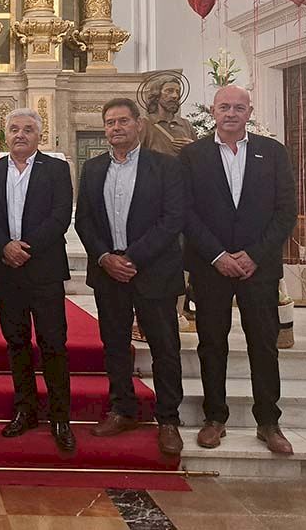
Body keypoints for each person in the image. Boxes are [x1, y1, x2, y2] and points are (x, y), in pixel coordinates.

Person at [180, 85, 297, 455]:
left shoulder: (273, 153)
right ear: (213, 111)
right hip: (210, 267)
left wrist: (254, 255)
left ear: (249, 112)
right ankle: (215, 418)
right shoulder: (192, 155)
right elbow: (185, 212)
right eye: (224, 107)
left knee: (263, 344)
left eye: (238, 107)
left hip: (257, 269)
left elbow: (285, 211)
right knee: (212, 343)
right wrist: (218, 255)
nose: (231, 113)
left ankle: (269, 422)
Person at [74, 98, 186, 456]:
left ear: (139, 124)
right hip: (109, 273)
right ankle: (122, 408)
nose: (116, 128)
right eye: (110, 122)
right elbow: (84, 220)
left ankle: (168, 418)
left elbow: (173, 218)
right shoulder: (93, 168)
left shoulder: (165, 166)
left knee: (164, 347)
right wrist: (105, 257)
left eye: (123, 121)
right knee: (115, 344)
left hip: (153, 270)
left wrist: (132, 257)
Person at [0, 108, 76, 453]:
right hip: (6, 269)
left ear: (39, 135)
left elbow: (60, 216)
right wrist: (4, 245)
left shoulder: (56, 169)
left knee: (53, 342)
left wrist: (26, 248)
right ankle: (26, 409)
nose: (20, 135)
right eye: (14, 129)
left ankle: (60, 416)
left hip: (44, 269)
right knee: (16, 341)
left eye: (27, 129)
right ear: (6, 135)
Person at [140, 74, 198, 156]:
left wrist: (192, 147)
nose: (175, 96)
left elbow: (199, 156)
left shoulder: (185, 124)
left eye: (177, 92)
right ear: (157, 95)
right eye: (169, 91)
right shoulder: (145, 124)